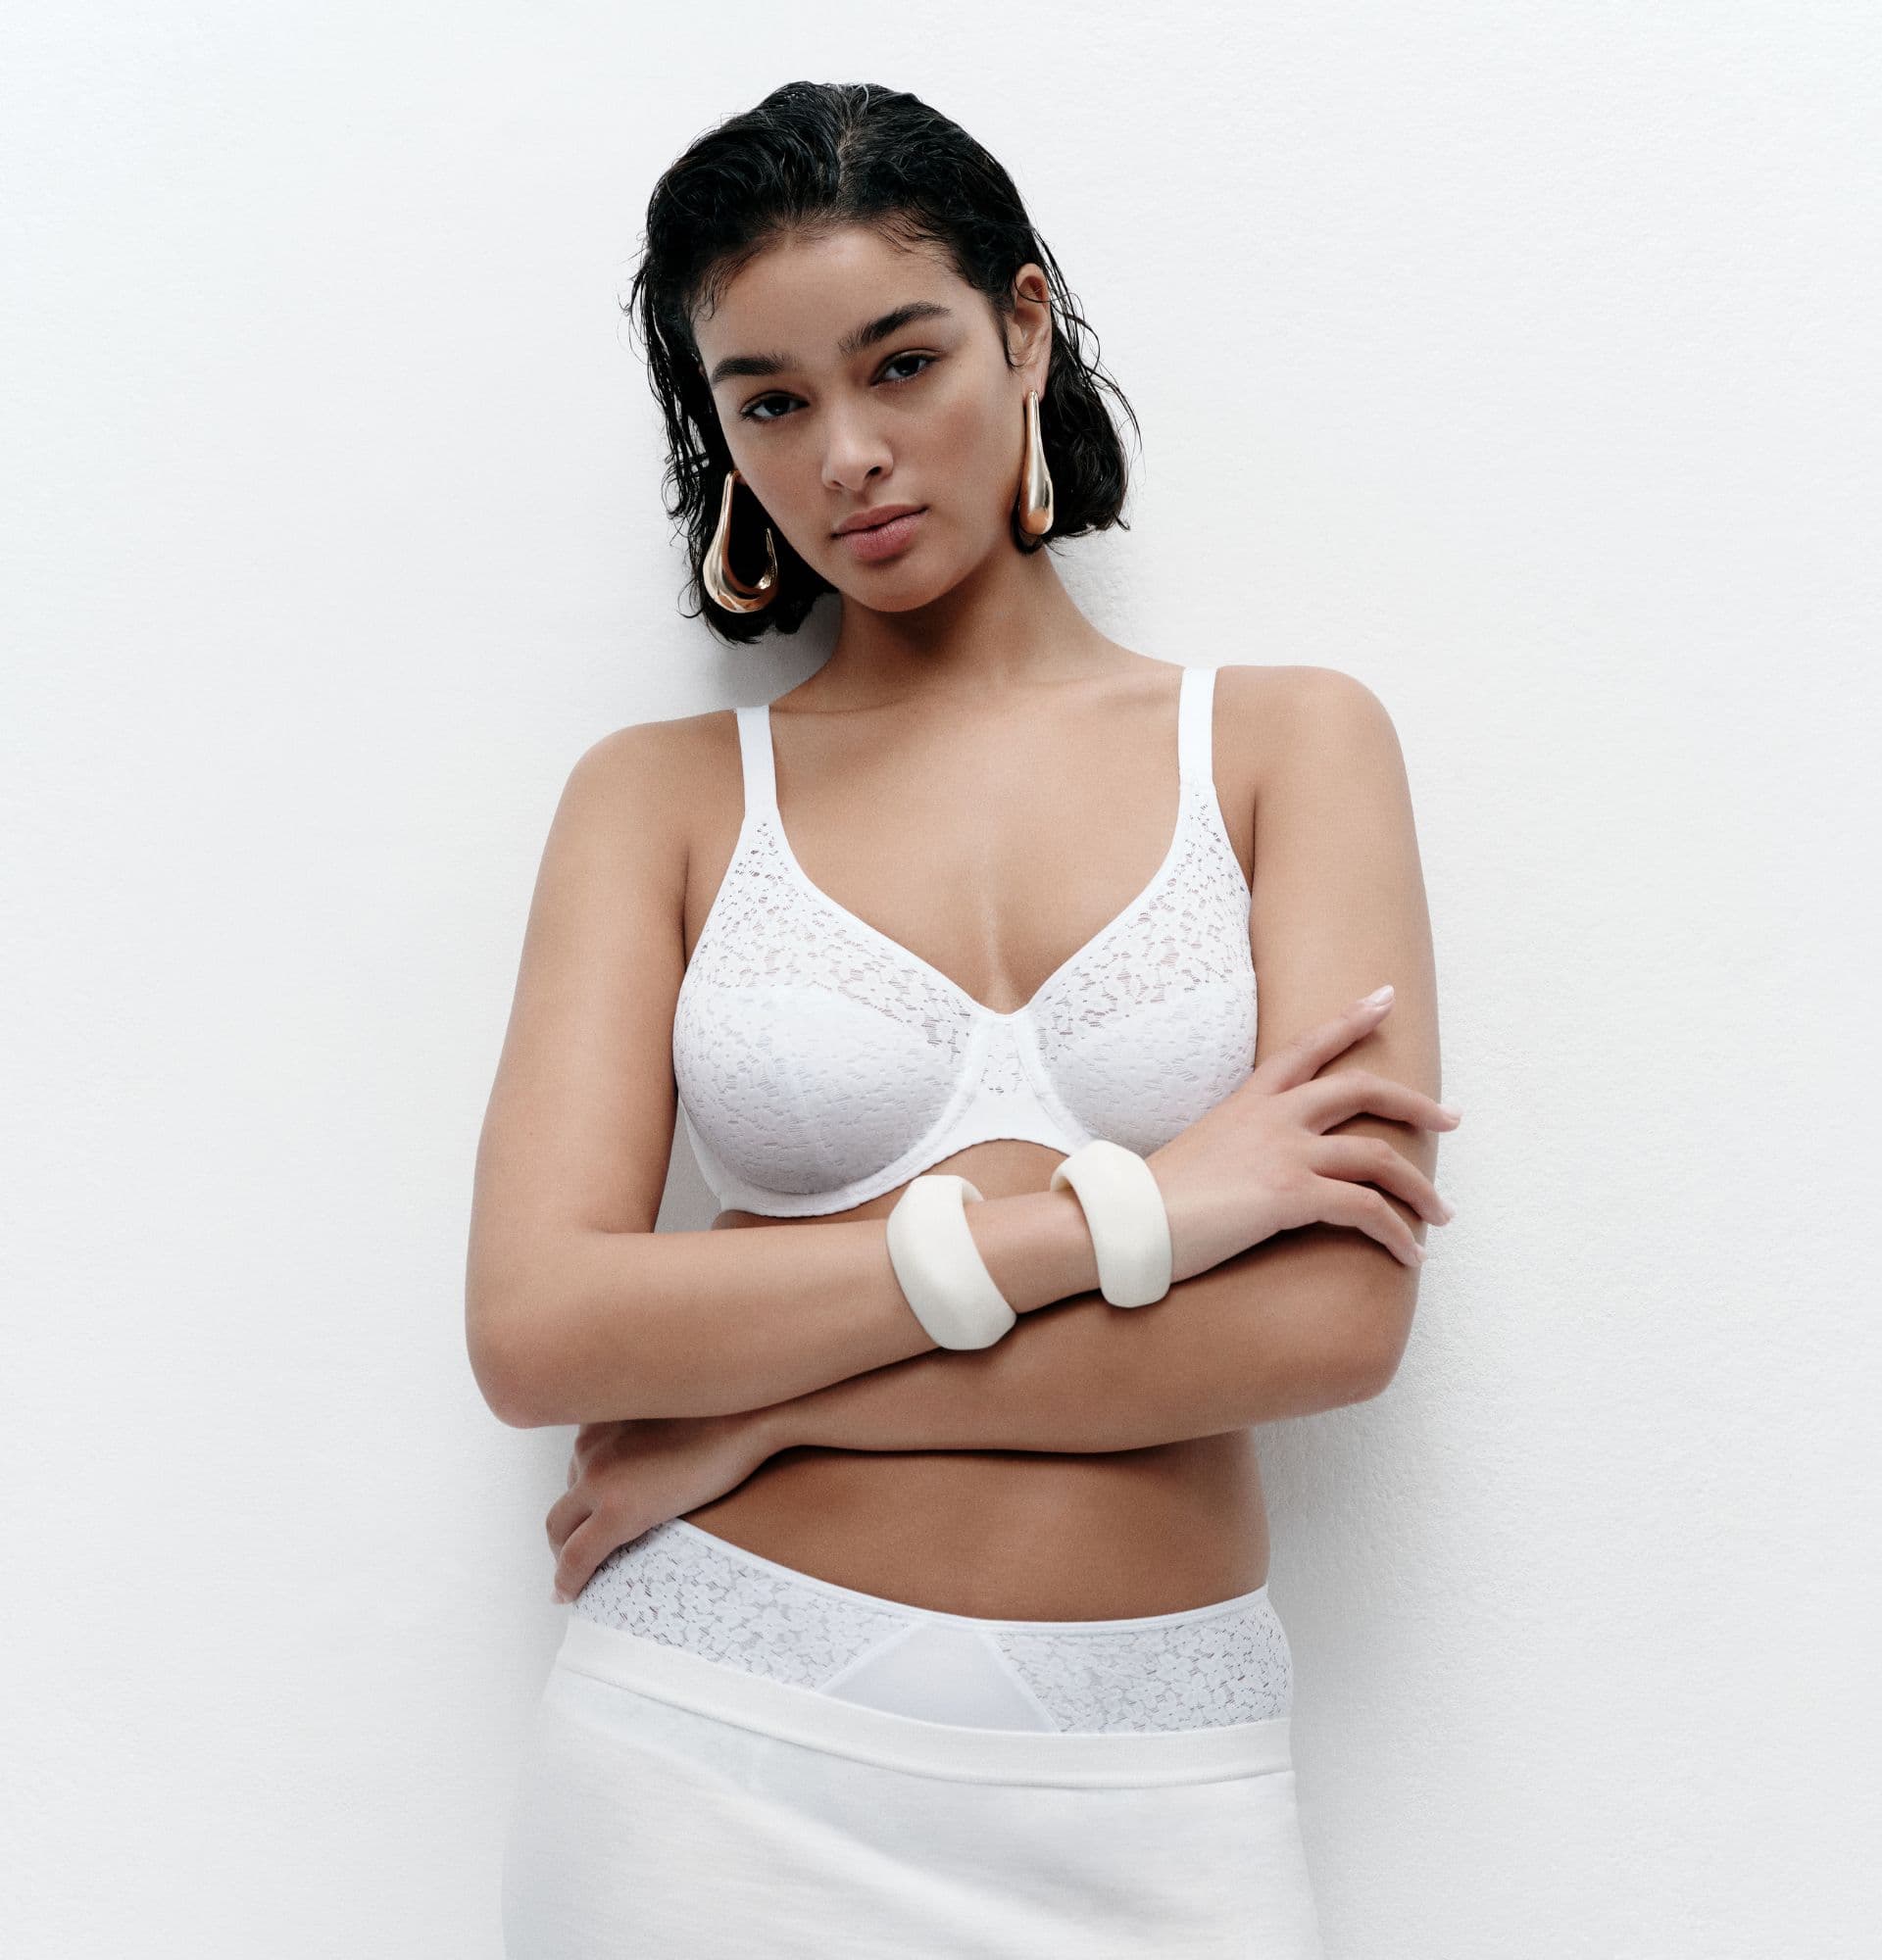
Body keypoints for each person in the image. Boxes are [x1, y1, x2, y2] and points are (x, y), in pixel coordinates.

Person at [470, 79, 1458, 1959]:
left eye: (899, 361)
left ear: (1020, 327)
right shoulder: (661, 797)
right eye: (768, 400)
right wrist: (1154, 1212)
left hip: (1154, 1782)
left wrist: (750, 1410)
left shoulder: (1282, 745)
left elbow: (1334, 1319)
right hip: (706, 1753)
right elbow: (544, 1330)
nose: (845, 451)